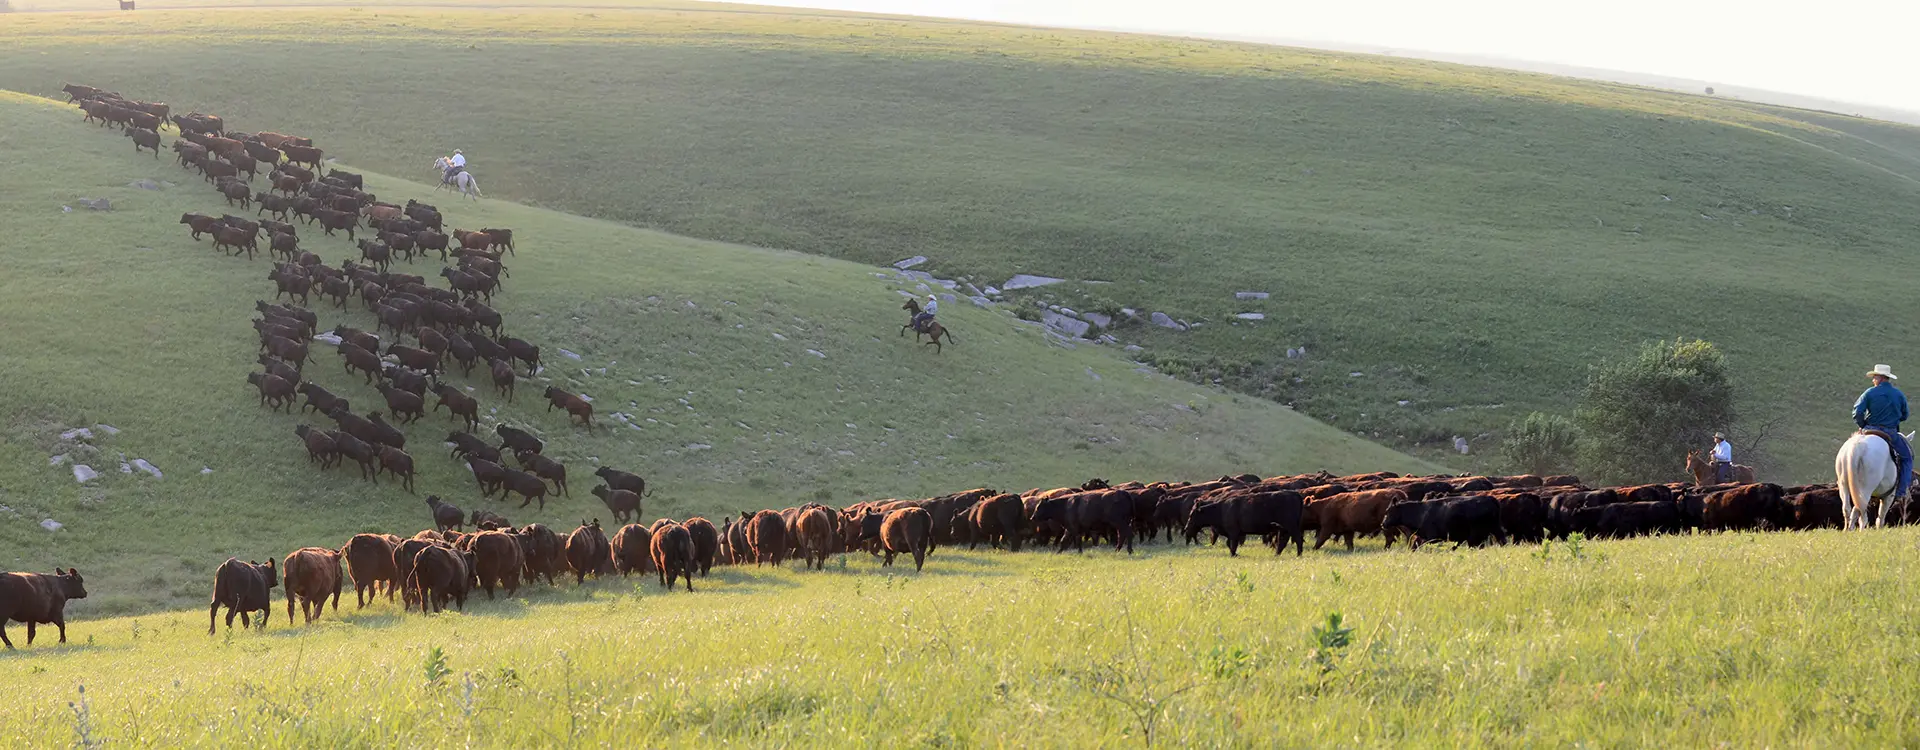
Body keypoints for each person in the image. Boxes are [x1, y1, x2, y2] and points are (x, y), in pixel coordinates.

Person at [1854, 364, 1912, 498]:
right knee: (1907, 458)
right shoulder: (1899, 394)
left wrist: (1863, 425)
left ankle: (1842, 482)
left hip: (1868, 430)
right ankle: (1901, 492)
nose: (1873, 380)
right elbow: (1905, 415)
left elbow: (1857, 412)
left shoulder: (1869, 393)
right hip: (1890, 432)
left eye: (1874, 377)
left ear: (1880, 378)